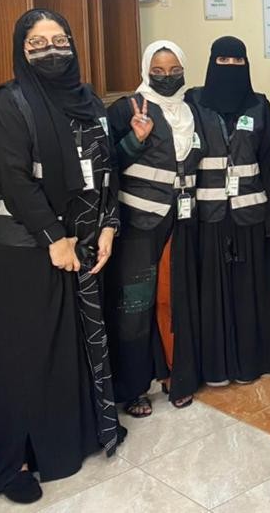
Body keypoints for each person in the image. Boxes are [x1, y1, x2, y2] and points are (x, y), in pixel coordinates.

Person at [0, 9, 124, 504]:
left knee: (75, 346)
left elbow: (107, 168)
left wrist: (108, 225)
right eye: (37, 43)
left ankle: (74, 438)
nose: (51, 50)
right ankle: (15, 461)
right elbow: (13, 178)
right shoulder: (8, 103)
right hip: (24, 249)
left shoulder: (90, 101)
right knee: (27, 354)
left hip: (82, 244)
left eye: (59, 40)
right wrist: (54, 238)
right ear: (21, 50)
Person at [104, 41, 202, 416]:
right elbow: (107, 163)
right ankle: (133, 388)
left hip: (181, 221)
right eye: (157, 71)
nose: (166, 77)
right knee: (134, 307)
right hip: (138, 225)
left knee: (172, 301)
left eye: (174, 70)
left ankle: (174, 374)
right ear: (146, 70)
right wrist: (136, 139)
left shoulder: (191, 110)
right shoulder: (127, 108)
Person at [186, 36, 270, 385]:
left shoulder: (259, 105)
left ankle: (250, 363)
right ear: (212, 62)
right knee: (211, 293)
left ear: (247, 64)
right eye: (223, 61)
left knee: (249, 291)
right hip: (207, 215)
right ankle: (215, 367)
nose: (230, 67)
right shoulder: (194, 102)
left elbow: (269, 162)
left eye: (237, 61)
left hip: (250, 214)